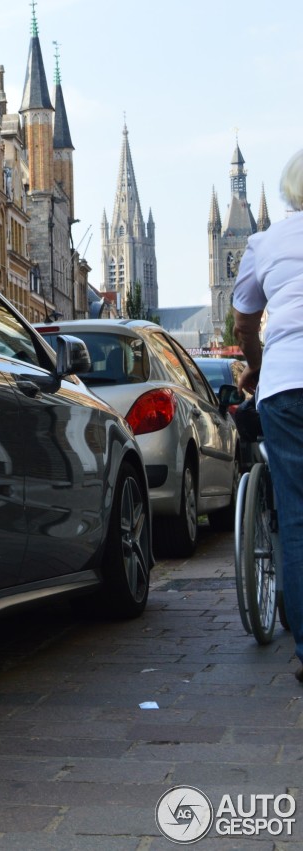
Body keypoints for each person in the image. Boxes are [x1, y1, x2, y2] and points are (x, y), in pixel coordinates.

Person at [232, 146, 303, 686]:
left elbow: (243, 325)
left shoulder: (265, 241)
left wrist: (256, 372)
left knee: (297, 517)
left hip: (286, 384)